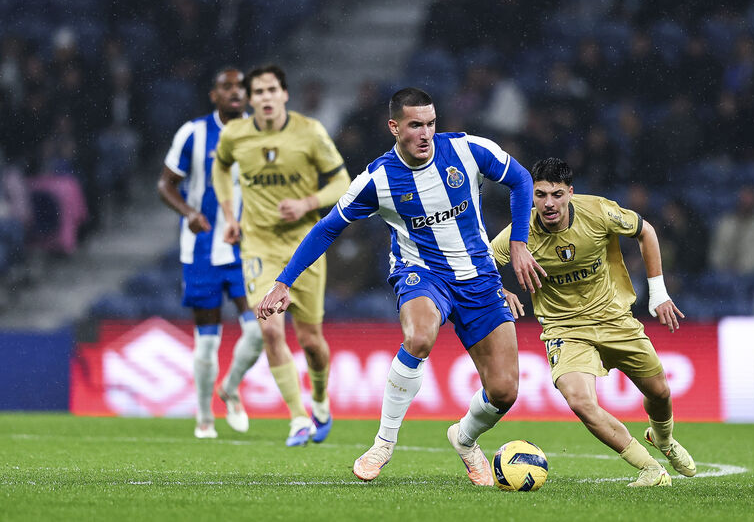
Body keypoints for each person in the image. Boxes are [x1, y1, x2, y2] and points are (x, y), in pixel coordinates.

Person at [258, 87, 545, 484]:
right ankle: (383, 444)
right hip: (422, 274)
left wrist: (518, 245)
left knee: (504, 392)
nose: (425, 133)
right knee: (420, 337)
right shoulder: (377, 179)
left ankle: (464, 439)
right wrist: (283, 282)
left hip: (479, 277)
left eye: (430, 124)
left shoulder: (468, 150)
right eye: (415, 125)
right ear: (394, 127)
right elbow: (326, 230)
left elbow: (521, 179)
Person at [490, 157, 696, 488]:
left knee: (659, 392)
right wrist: (498, 289)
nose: (548, 203)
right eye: (540, 195)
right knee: (581, 403)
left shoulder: (599, 211)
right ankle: (649, 469)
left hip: (614, 317)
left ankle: (664, 439)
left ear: (570, 193)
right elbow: (481, 262)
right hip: (564, 329)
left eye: (557, 194)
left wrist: (658, 293)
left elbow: (647, 232)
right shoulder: (520, 233)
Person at [212, 64, 351, 446]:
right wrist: (229, 214)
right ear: (249, 99)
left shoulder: (310, 132)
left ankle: (320, 401)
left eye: (272, 90)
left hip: (305, 247)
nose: (266, 98)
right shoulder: (235, 135)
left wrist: (308, 201)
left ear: (284, 94)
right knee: (270, 328)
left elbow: (343, 181)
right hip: (258, 246)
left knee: (311, 342)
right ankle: (297, 418)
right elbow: (221, 168)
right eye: (258, 92)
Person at [157, 67, 264, 439]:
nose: (235, 93)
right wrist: (188, 213)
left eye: (241, 88)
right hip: (202, 248)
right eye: (227, 87)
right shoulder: (193, 133)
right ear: (213, 95)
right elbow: (166, 184)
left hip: (245, 248)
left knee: (259, 331)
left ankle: (231, 387)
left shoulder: (263, 132)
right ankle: (204, 416)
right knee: (207, 338)